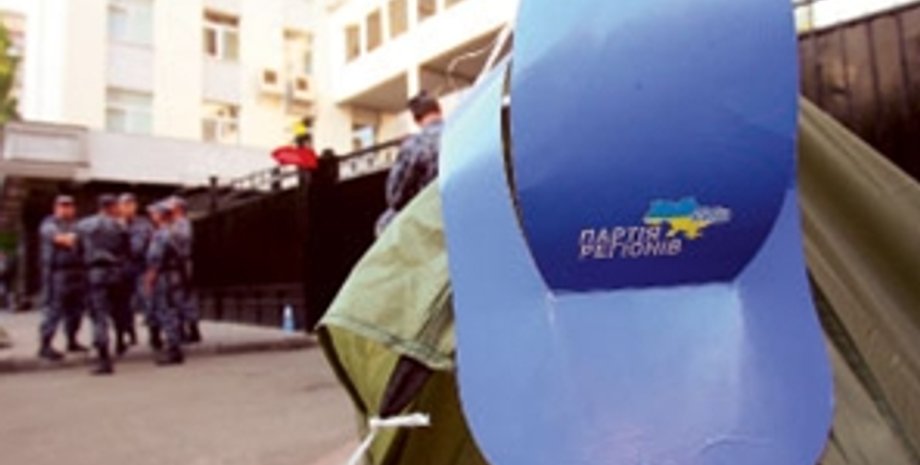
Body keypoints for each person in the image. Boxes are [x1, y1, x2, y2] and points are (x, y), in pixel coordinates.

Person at [376, 91, 444, 235]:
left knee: (385, 222)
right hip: (463, 205)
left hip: (432, 216)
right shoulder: (460, 132)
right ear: (439, 110)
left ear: (416, 119)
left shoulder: (414, 145)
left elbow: (395, 198)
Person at [77, 194, 129, 375]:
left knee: (99, 315)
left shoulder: (84, 225)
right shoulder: (120, 226)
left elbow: (77, 249)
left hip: (94, 272)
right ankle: (121, 339)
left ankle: (104, 357)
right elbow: (126, 249)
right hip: (115, 272)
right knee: (118, 310)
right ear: (112, 207)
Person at [37, 195, 86, 360]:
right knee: (54, 309)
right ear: (55, 208)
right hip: (58, 272)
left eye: (69, 206)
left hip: (77, 271)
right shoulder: (49, 224)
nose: (66, 209)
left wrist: (73, 238)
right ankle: (45, 344)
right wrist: (73, 238)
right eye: (62, 206)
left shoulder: (77, 224)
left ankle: (72, 340)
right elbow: (61, 239)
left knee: (76, 310)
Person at [144, 203, 184, 365]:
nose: (151, 216)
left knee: (166, 311)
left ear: (161, 215)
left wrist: (150, 279)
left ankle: (174, 348)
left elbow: (155, 258)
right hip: (173, 275)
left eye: (154, 213)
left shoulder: (162, 234)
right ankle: (175, 346)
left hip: (163, 276)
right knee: (171, 310)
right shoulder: (174, 231)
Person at [119, 193, 154, 348]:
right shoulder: (114, 224)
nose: (128, 208)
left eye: (131, 204)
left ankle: (154, 333)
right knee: (122, 305)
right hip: (121, 269)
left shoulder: (144, 224)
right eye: (125, 204)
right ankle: (127, 333)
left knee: (148, 300)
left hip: (141, 267)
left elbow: (140, 247)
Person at [169, 196, 201, 343]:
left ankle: (190, 328)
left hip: (182, 263)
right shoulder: (175, 223)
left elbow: (184, 237)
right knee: (180, 296)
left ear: (179, 208)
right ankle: (185, 328)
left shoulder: (182, 223)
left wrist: (170, 233)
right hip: (178, 263)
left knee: (183, 295)